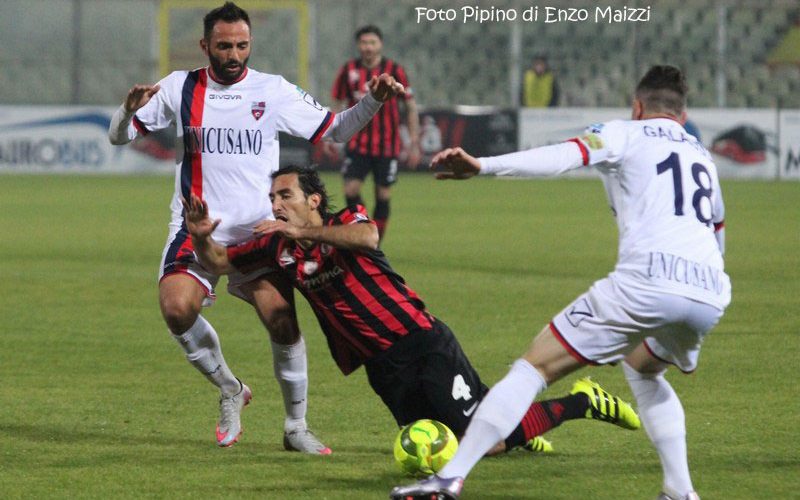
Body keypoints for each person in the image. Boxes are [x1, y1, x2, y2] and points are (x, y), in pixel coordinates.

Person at [391, 65, 729, 500]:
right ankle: (681, 492)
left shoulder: (625, 132)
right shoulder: (703, 157)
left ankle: (448, 479)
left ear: (637, 106)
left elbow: (563, 155)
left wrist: (484, 165)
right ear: (683, 116)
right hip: (708, 291)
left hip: (648, 280)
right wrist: (692, 322)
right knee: (643, 369)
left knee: (534, 367)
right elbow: (716, 234)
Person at [182, 165, 642, 459]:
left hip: (422, 344)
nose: (276, 204)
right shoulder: (275, 245)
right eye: (273, 199)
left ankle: (583, 401)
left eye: (285, 195)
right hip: (382, 368)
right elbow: (219, 261)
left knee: (488, 440)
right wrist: (202, 235)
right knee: (452, 440)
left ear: (314, 200)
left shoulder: (348, 222)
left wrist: (305, 231)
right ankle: (516, 428)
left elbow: (369, 240)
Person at [107, 1, 405, 453]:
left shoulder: (273, 91)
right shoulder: (179, 87)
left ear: (251, 44)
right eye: (224, 46)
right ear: (206, 45)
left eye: (242, 45)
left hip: (258, 232)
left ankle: (296, 428)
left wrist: (373, 101)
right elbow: (120, 137)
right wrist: (126, 113)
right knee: (175, 309)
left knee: (281, 321)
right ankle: (230, 388)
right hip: (196, 227)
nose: (233, 55)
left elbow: (338, 130)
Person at [331, 25, 422, 242]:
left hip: (387, 145)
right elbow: (337, 102)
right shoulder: (349, 70)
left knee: (383, 194)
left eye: (372, 42)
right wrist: (331, 133)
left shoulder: (395, 70)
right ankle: (363, 230)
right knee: (351, 189)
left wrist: (414, 142)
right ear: (358, 45)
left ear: (380, 44)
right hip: (357, 142)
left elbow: (409, 106)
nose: (368, 47)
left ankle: (375, 243)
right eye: (364, 43)